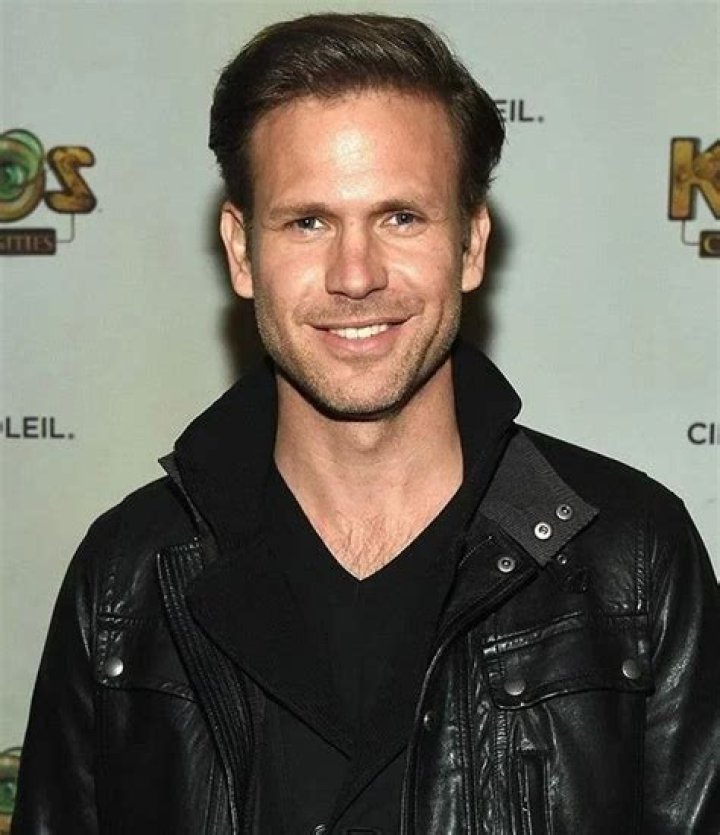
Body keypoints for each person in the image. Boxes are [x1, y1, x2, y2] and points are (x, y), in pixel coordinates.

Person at [11, 13, 720, 835]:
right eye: (308, 221)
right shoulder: (127, 578)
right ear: (241, 252)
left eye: (401, 217)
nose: (356, 276)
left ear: (471, 244)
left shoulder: (632, 559)